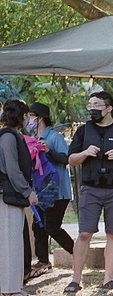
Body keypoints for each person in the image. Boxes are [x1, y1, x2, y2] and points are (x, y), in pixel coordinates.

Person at [66, 90, 113, 292]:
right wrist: (85, 153)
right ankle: (75, 280)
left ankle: (108, 279)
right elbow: (71, 160)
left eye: (97, 105)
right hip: (91, 188)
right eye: (90, 105)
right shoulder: (83, 131)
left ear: (108, 108)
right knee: (84, 233)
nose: (92, 109)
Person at [26, 103, 73, 280]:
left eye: (31, 116)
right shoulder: (31, 137)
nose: (28, 119)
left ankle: (77, 253)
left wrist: (48, 150)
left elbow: (67, 159)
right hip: (38, 191)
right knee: (38, 226)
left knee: (52, 226)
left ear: (39, 117)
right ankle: (43, 261)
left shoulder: (54, 137)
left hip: (58, 191)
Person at [1, 99, 39, 296]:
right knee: (9, 242)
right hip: (8, 196)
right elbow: (12, 170)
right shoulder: (8, 137)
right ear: (23, 117)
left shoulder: (12, 135)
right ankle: (8, 289)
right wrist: (28, 192)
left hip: (11, 195)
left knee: (15, 240)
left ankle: (13, 287)